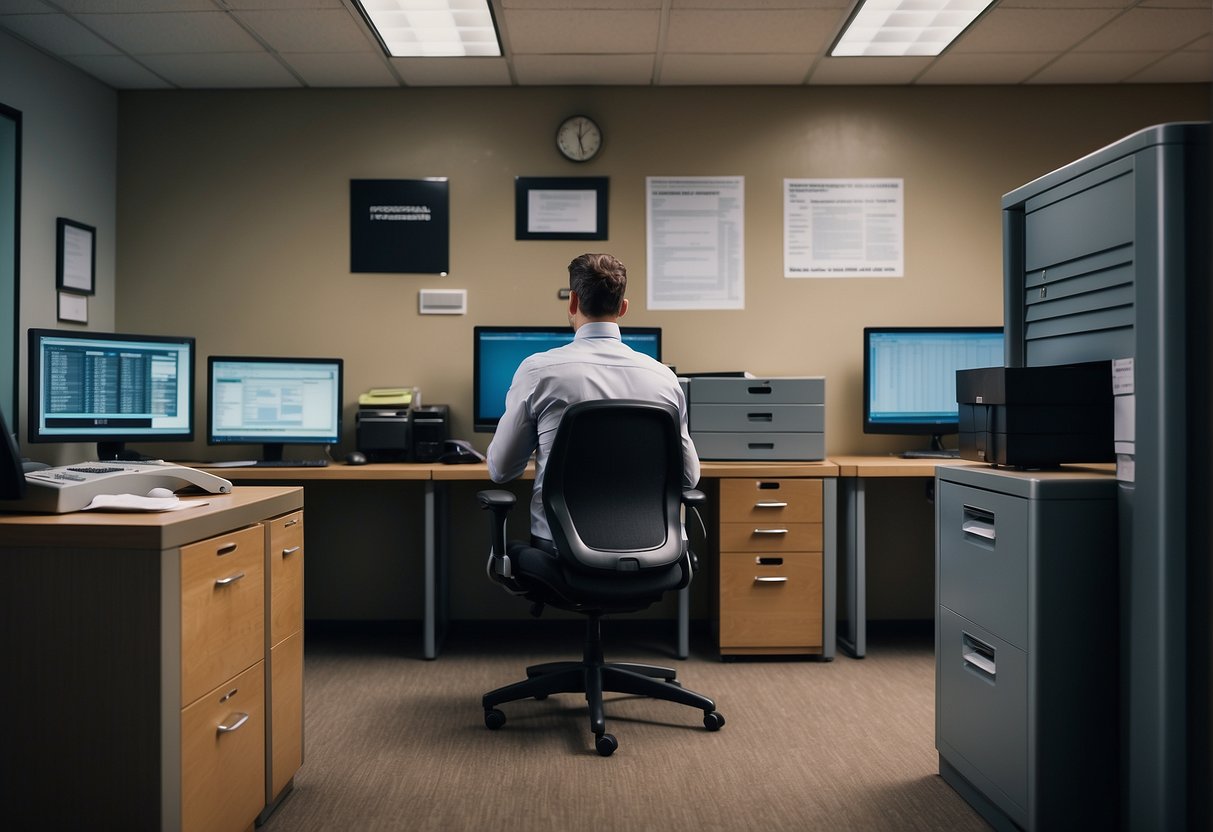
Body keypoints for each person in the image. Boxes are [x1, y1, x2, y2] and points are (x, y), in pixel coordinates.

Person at [487, 252, 700, 552]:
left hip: (564, 553)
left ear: (573, 302)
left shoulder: (538, 371)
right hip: (655, 550)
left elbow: (502, 470)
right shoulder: (664, 378)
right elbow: (689, 478)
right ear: (623, 308)